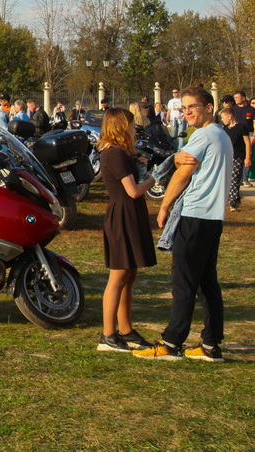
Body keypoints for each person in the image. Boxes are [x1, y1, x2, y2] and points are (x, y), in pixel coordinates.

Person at [134, 85, 230, 363]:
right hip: (212, 218)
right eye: (183, 108)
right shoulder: (220, 135)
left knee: (183, 282)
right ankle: (211, 345)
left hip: (196, 215)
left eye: (192, 108)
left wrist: (164, 206)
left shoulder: (203, 135)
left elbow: (183, 174)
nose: (186, 112)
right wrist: (175, 156)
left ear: (208, 108)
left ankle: (171, 342)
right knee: (206, 282)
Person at [95, 107, 157, 352]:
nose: (134, 129)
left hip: (130, 215)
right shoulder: (113, 154)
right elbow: (132, 191)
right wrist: (155, 179)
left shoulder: (121, 153)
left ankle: (126, 329)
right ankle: (108, 335)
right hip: (122, 216)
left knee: (129, 275)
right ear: (121, 126)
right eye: (131, 125)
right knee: (118, 276)